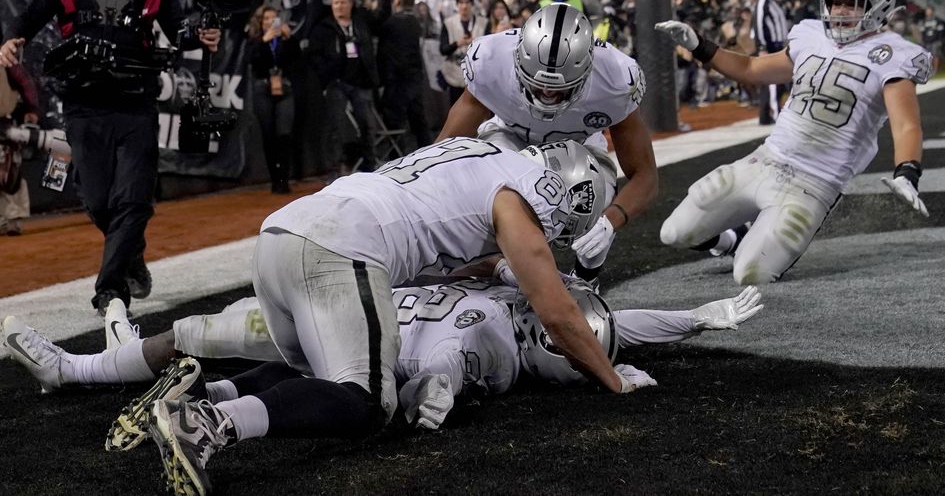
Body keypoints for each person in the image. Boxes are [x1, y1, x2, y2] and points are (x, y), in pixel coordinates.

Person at [125, 139, 639, 494]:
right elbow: (557, 314)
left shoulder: (485, 156)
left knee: (321, 379)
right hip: (342, 244)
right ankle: (209, 425)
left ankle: (198, 395)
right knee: (368, 401)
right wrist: (614, 380)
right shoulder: (521, 198)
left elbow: (452, 243)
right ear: (568, 197)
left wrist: (502, 269)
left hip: (284, 232)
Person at [0, 275, 762, 442]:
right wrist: (695, 318)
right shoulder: (519, 321)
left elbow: (456, 357)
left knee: (213, 335)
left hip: (351, 324)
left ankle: (82, 372)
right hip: (357, 319)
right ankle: (185, 399)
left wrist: (438, 392)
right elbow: (610, 325)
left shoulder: (505, 331)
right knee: (214, 338)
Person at [655, 0, 932, 285]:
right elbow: (751, 69)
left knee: (750, 274)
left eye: (852, 3)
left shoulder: (894, 54)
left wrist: (907, 171)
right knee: (673, 233)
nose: (840, 11)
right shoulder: (811, 35)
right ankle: (732, 239)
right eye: (835, 2)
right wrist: (700, 46)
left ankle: (746, 241)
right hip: (765, 160)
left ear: (879, 5)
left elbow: (906, 125)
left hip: (815, 183)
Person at [0, 0, 221, 316]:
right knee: (98, 200)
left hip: (136, 106)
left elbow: (178, 31)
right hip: (84, 109)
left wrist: (201, 35)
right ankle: (131, 251)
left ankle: (110, 291)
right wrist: (11, 39)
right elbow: (25, 20)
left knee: (133, 200)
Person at [437, 3, 657, 287]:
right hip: (509, 136)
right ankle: (500, 267)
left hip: (579, 149)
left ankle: (587, 273)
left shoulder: (615, 79)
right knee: (486, 192)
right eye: (537, 85)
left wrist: (610, 221)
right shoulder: (492, 60)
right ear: (518, 59)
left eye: (560, 89)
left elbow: (645, 176)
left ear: (588, 69)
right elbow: (444, 151)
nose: (547, 94)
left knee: (588, 191)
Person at [309, 0, 390, 174]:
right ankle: (335, 171)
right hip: (336, 83)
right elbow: (314, 56)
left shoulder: (362, 22)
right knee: (335, 127)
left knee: (367, 126)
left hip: (361, 82)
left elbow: (383, 15)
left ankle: (370, 168)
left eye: (342, 2)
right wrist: (326, 75)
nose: (339, 6)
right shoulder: (324, 28)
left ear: (351, 4)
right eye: (335, 3)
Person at [247, 4, 300, 194]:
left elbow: (297, 59)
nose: (270, 22)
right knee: (268, 136)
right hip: (263, 88)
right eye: (266, 19)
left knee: (284, 134)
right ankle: (274, 179)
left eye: (274, 18)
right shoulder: (255, 40)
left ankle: (284, 179)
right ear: (260, 22)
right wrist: (264, 41)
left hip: (284, 88)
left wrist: (290, 38)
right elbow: (251, 60)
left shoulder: (285, 40)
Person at [376, 0, 431, 150]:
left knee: (394, 120)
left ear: (397, 1)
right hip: (415, 76)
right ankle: (428, 152)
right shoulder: (415, 22)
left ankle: (397, 155)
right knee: (418, 120)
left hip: (397, 79)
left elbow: (383, 51)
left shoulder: (391, 23)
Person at [0, 64, 40, 236]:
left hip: (4, 124)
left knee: (9, 174)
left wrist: (32, 109)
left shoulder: (5, 61)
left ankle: (12, 219)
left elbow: (25, 82)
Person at [439, 0, 486, 104]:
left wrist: (475, 43)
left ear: (472, 4)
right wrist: (457, 44)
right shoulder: (448, 23)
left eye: (467, 2)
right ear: (457, 4)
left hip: (476, 74)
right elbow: (443, 50)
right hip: (454, 73)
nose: (464, 6)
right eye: (461, 3)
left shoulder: (483, 22)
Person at [753, 0, 790, 125]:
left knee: (774, 81)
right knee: (773, 81)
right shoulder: (764, 1)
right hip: (770, 47)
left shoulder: (774, 3)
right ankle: (776, 114)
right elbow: (758, 23)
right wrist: (762, 47)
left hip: (778, 46)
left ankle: (765, 116)